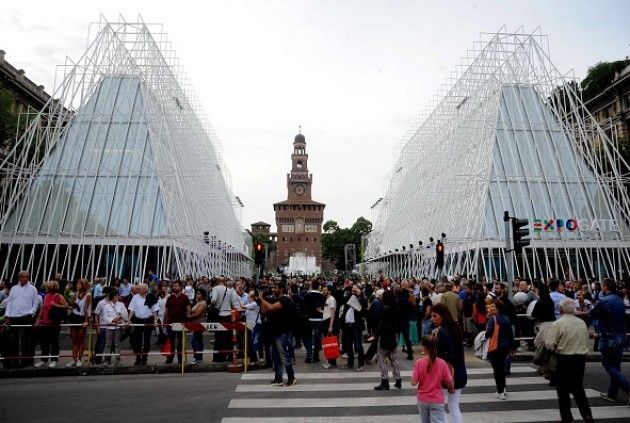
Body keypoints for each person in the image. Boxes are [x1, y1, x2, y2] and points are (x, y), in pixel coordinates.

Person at [545, 298, 594, 423]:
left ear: (561, 310)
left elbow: (550, 344)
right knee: (578, 389)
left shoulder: (558, 324)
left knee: (562, 391)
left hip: (564, 359)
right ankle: (587, 414)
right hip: (580, 359)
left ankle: (566, 418)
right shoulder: (581, 323)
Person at [590, 278, 630, 403]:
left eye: (602, 285)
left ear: (606, 287)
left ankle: (627, 388)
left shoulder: (603, 301)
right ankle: (612, 394)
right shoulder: (620, 300)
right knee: (615, 366)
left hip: (608, 337)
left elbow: (593, 314)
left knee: (607, 365)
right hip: (620, 336)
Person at [430, 303, 467, 423]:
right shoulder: (454, 328)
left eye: (435, 316)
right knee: (454, 406)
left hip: (448, 375)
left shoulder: (443, 332)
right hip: (460, 373)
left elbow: (449, 358)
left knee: (440, 407)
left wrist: (450, 379)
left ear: (442, 316)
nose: (432, 319)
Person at [259, 280, 296, 387]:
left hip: (282, 333)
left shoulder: (284, 300)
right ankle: (278, 378)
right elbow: (264, 311)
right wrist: (263, 300)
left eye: (275, 287)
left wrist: (261, 298)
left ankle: (291, 377)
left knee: (284, 356)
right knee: (275, 357)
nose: (273, 289)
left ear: (281, 289)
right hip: (274, 332)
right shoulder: (275, 300)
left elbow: (270, 308)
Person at [411, 336, 455, 423]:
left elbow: (413, 382)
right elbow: (449, 381)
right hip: (436, 399)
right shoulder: (442, 363)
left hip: (422, 399)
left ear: (424, 347)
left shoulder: (419, 363)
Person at [4, 271, 39, 368]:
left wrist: (31, 313)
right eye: (23, 277)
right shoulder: (14, 289)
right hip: (13, 317)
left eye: (27, 277)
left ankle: (26, 361)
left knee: (26, 340)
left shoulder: (33, 289)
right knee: (13, 340)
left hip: (26, 317)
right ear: (19, 277)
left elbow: (35, 303)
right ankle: (14, 360)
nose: (25, 278)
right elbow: (10, 303)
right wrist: (7, 315)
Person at [485, 300, 515, 400]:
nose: (490, 308)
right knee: (501, 368)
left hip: (495, 347)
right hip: (505, 347)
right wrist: (512, 346)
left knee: (497, 370)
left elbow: (488, 333)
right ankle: (504, 388)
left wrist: (484, 335)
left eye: (493, 307)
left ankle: (500, 391)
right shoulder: (506, 318)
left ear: (498, 308)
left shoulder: (492, 318)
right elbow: (511, 334)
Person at [34, 280, 69, 368]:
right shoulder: (46, 296)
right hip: (44, 322)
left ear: (51, 287)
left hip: (54, 323)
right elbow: (43, 308)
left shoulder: (58, 296)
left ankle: (54, 360)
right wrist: (38, 319)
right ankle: (44, 359)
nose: (45, 288)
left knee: (54, 341)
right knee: (43, 342)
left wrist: (56, 305)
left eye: (47, 287)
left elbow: (66, 306)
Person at [371, 290, 401, 390]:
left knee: (382, 358)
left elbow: (382, 324)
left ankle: (385, 381)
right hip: (393, 335)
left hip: (384, 336)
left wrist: (375, 335)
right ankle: (398, 379)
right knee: (393, 358)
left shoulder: (385, 308)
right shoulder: (396, 308)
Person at [94, 287, 128, 366]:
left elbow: (125, 315)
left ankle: (117, 360)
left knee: (117, 344)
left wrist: (119, 318)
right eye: (116, 295)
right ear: (113, 296)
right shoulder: (106, 305)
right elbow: (105, 317)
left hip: (118, 327)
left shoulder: (121, 304)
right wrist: (113, 320)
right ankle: (107, 360)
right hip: (108, 327)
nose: (117, 297)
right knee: (108, 344)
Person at [128, 283, 159, 365]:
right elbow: (132, 309)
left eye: (139, 289)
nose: (137, 290)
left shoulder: (151, 297)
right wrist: (128, 320)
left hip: (148, 320)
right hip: (138, 321)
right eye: (137, 289)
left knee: (147, 340)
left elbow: (155, 310)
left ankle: (145, 357)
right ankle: (138, 357)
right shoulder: (135, 297)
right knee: (136, 340)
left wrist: (155, 321)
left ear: (145, 290)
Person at [339, 284, 367, 371]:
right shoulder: (349, 297)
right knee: (348, 345)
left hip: (356, 325)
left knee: (358, 345)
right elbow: (343, 300)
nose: (354, 292)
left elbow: (364, 309)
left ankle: (361, 364)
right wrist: (347, 292)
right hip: (347, 325)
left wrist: (360, 295)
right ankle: (350, 363)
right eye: (352, 291)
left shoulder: (362, 299)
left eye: (355, 291)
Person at [164, 280, 191, 364]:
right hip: (171, 322)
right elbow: (167, 309)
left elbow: (188, 308)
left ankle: (180, 358)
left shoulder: (184, 297)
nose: (174, 287)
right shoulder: (170, 298)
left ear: (180, 287)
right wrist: (165, 319)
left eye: (176, 286)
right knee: (171, 341)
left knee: (180, 341)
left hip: (181, 322)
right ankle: (170, 357)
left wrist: (188, 317)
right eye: (174, 286)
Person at [210, 277, 236, 362]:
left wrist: (212, 305)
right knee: (228, 337)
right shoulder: (230, 290)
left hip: (219, 315)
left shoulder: (215, 289)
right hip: (228, 314)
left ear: (217, 281)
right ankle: (229, 356)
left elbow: (213, 300)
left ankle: (218, 357)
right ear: (225, 282)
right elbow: (233, 303)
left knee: (218, 337)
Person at [67, 279, 91, 367]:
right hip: (74, 317)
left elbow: (85, 308)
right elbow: (73, 306)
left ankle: (79, 359)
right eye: (77, 284)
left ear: (83, 285)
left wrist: (86, 320)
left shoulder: (88, 295)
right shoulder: (76, 294)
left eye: (79, 284)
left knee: (80, 340)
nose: (77, 285)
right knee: (74, 340)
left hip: (81, 318)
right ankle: (73, 359)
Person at [303, 279, 325, 363]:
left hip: (309, 318)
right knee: (317, 338)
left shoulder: (307, 295)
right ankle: (316, 356)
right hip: (319, 319)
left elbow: (304, 307)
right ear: (319, 286)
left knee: (308, 337)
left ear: (311, 285)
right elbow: (323, 307)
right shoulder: (322, 296)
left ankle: (309, 355)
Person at [321, 283, 338, 369]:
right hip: (326, 322)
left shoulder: (331, 299)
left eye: (325, 290)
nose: (323, 291)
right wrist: (320, 311)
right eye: (323, 290)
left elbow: (332, 313)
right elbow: (327, 311)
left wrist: (330, 326)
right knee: (328, 343)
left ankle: (332, 362)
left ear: (329, 291)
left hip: (329, 322)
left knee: (330, 343)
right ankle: (331, 362)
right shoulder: (327, 299)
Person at [187, 289, 207, 364]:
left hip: (200, 324)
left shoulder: (202, 303)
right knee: (198, 341)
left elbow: (198, 314)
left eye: (199, 294)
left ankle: (197, 357)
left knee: (194, 341)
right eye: (197, 293)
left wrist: (189, 316)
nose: (197, 295)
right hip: (196, 324)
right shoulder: (198, 302)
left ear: (203, 295)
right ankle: (198, 357)